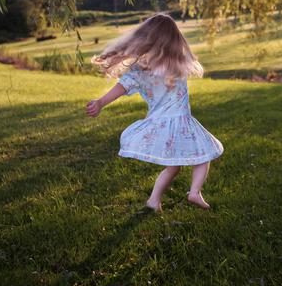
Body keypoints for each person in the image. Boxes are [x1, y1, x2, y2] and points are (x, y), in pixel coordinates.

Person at [86, 13, 224, 212]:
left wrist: (100, 102)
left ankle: (153, 201)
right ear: (175, 39)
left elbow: (121, 87)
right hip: (182, 122)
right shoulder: (179, 63)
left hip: (159, 124)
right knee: (204, 155)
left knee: (173, 167)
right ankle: (194, 192)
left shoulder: (141, 70)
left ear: (145, 40)